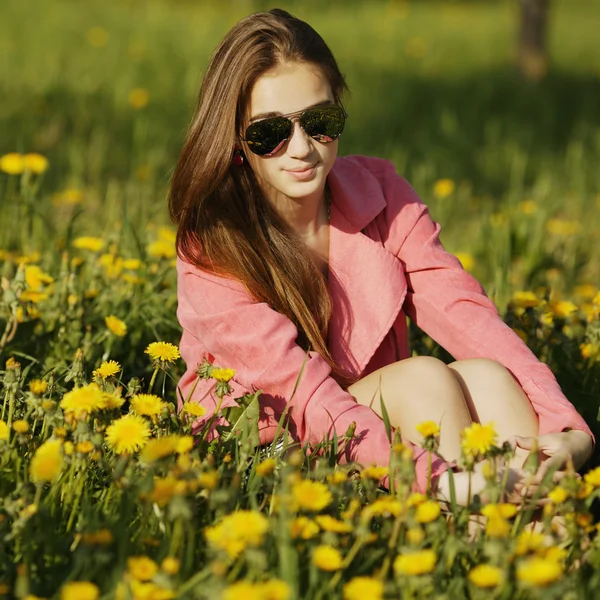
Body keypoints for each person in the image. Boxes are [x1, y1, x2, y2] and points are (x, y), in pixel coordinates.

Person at [168, 8, 593, 503]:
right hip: (270, 456)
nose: (301, 148)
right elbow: (303, 394)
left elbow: (467, 316)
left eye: (320, 121)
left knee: (489, 378)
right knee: (423, 381)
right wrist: (439, 478)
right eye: (269, 133)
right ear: (237, 141)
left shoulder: (381, 196)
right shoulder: (212, 242)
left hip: (379, 429)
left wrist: (568, 428)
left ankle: (548, 545)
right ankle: (478, 535)